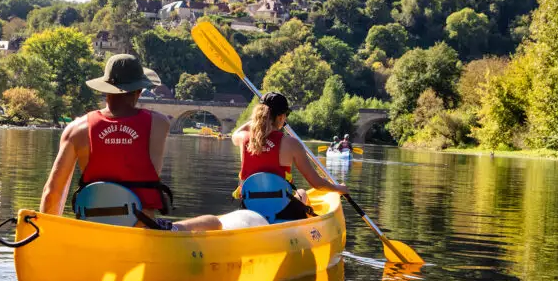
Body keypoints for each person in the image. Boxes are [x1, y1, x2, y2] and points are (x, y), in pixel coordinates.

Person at [39, 54, 220, 232]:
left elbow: (52, 192)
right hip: (142, 231)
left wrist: (48, 238)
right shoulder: (159, 123)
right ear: (139, 91)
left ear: (106, 90)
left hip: (93, 230)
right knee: (213, 223)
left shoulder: (76, 129)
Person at [231, 92, 347, 220]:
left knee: (300, 194)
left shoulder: (243, 138)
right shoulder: (291, 143)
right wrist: (338, 188)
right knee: (302, 193)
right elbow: (316, 183)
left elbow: (236, 133)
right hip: (282, 210)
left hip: (249, 208)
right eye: (286, 115)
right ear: (281, 117)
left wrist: (257, 121)